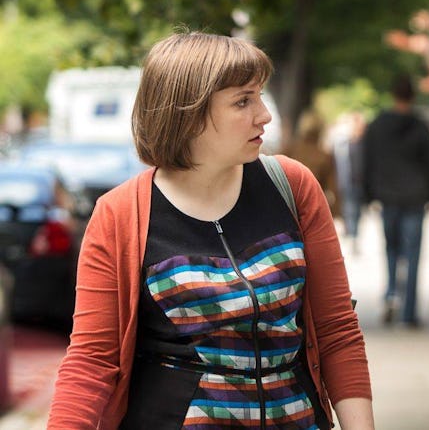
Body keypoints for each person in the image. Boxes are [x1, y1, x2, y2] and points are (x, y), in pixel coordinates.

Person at [47, 32, 374, 430]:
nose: (264, 114)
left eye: (259, 96)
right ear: (190, 113)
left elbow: (336, 329)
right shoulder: (120, 215)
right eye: (243, 101)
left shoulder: (292, 185)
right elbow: (91, 361)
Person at [362, 74, 429, 327]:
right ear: (412, 96)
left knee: (391, 250)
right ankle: (409, 312)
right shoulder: (420, 126)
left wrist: (368, 194)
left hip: (387, 196)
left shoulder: (377, 125)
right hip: (415, 196)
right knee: (413, 255)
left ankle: (391, 294)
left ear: (393, 95)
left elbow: (366, 161)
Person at [283, 109, 341, 218]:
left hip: (287, 210)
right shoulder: (325, 156)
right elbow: (333, 190)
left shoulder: (289, 150)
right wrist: (335, 213)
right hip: (313, 212)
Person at [331, 111, 366, 254]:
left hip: (356, 183)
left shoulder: (360, 144)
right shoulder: (340, 143)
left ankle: (353, 235)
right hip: (343, 182)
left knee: (355, 211)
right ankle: (351, 235)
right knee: (348, 210)